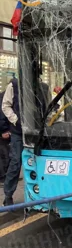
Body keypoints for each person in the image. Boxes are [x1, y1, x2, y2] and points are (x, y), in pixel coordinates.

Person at [2, 78, 23, 206]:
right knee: (15, 161)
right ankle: (8, 195)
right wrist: (16, 120)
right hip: (18, 131)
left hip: (37, 131)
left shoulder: (43, 85)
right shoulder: (14, 85)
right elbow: (5, 105)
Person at [0, 90, 10, 187]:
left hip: (4, 129)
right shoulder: (3, 97)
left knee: (6, 153)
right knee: (4, 154)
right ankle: (3, 177)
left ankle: (7, 175)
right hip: (3, 131)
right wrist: (3, 130)